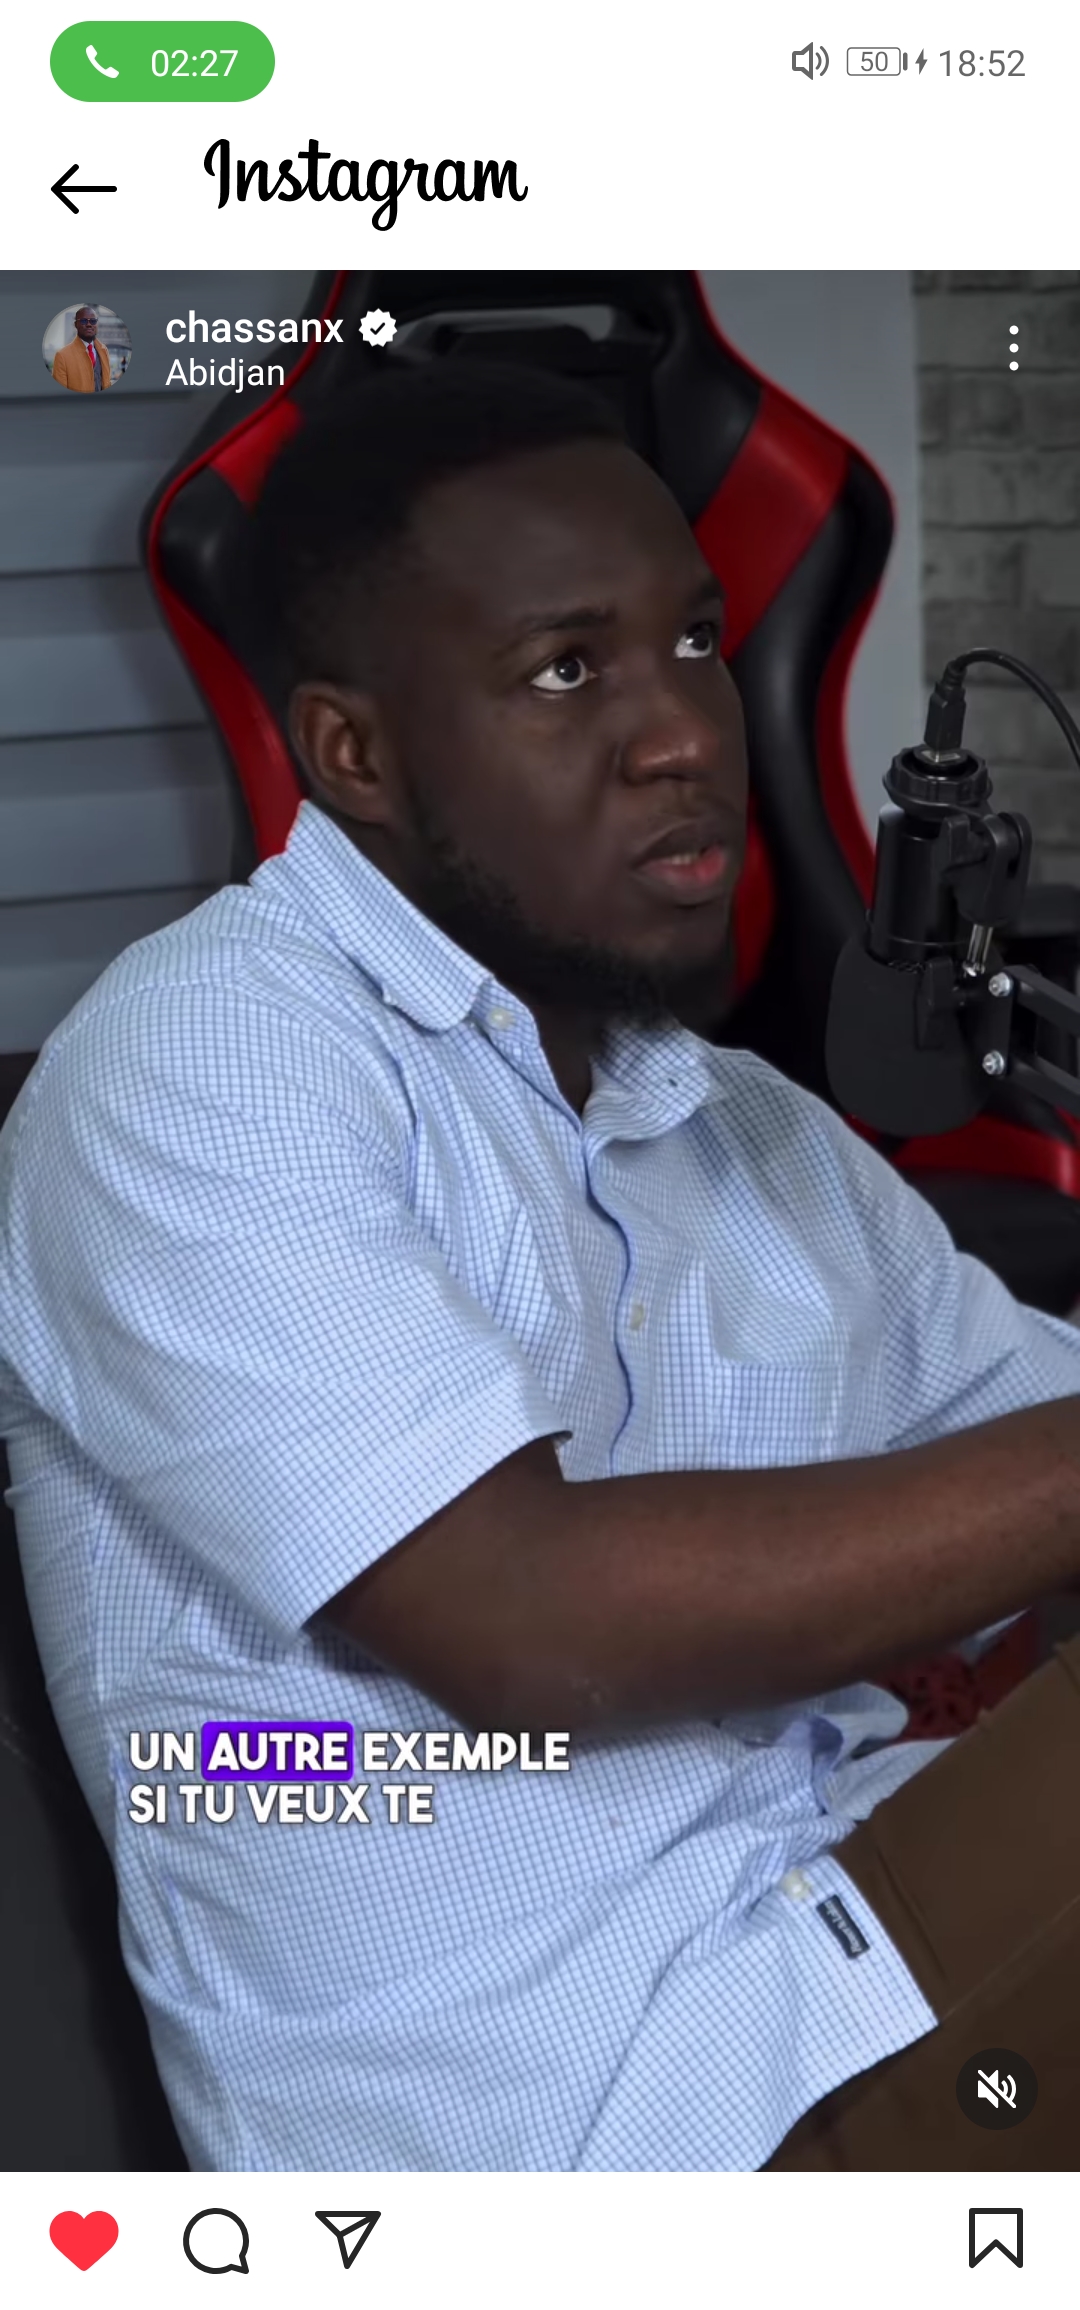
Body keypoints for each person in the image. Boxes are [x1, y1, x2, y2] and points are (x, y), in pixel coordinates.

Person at [3, 360, 1080, 2176]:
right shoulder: (206, 1060)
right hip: (618, 2119)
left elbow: (1022, 1444)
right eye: (568, 671)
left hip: (859, 1943)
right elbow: (527, 1620)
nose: (683, 734)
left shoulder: (750, 1128)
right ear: (355, 754)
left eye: (695, 642)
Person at [51, 306, 112, 392]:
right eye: (84, 321)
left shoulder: (104, 351)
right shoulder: (62, 356)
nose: (89, 324)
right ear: (76, 324)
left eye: (93, 321)